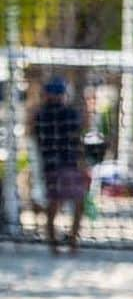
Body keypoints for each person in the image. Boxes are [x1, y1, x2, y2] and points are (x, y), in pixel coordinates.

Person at [32, 77, 87, 254]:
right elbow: (82, 129)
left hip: (51, 166)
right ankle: (70, 241)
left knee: (54, 204)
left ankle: (55, 243)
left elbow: (32, 132)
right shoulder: (69, 113)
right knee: (75, 203)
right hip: (66, 164)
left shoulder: (40, 114)